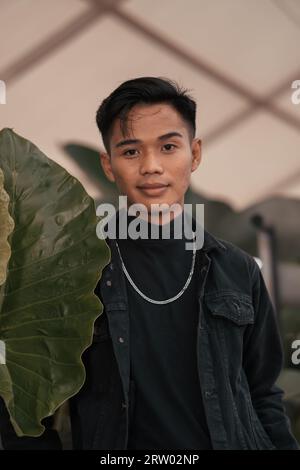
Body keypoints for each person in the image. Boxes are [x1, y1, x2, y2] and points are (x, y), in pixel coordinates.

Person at [0, 77, 299, 450]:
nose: (152, 167)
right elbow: (24, 398)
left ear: (195, 154)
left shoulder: (238, 269)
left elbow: (263, 395)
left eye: (169, 147)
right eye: (130, 152)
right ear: (108, 165)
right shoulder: (72, 271)